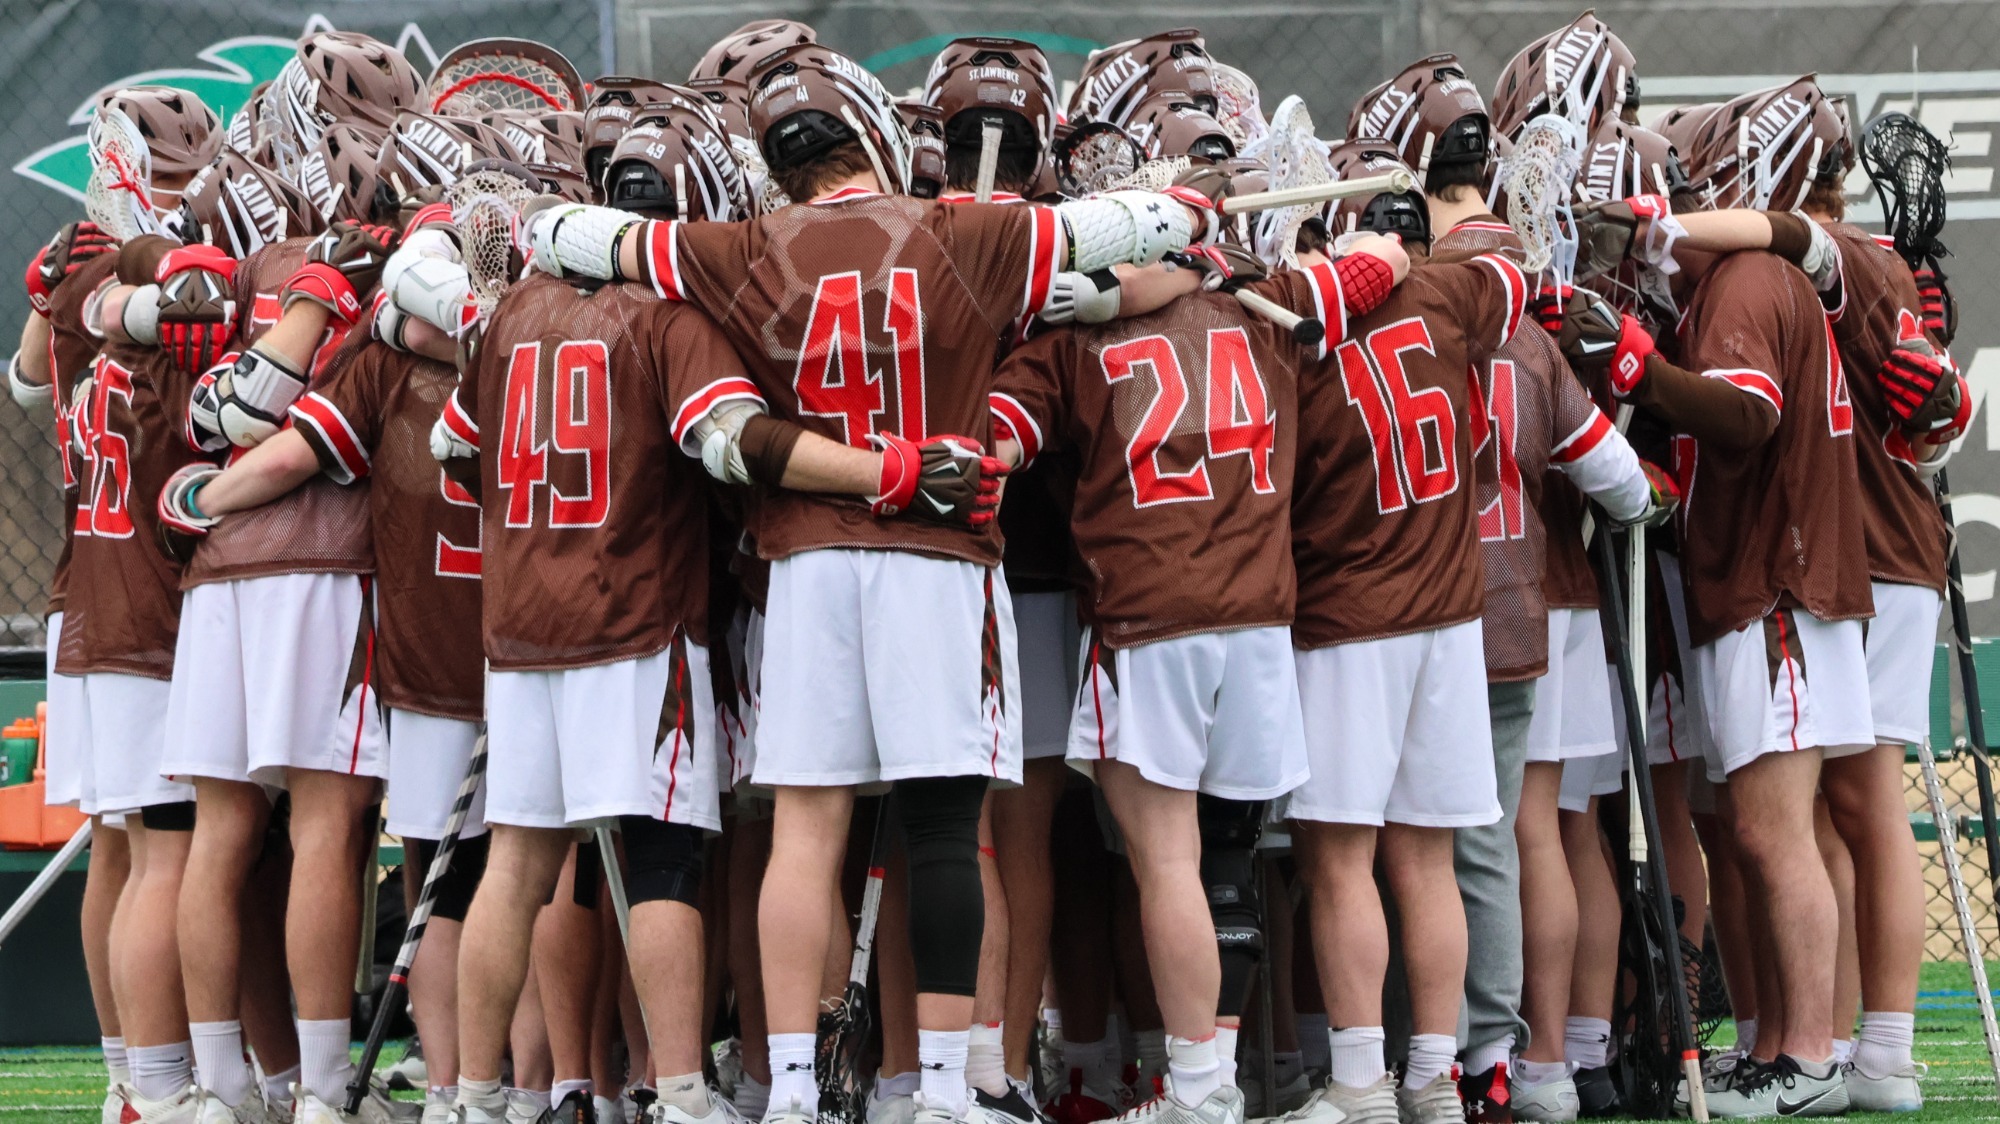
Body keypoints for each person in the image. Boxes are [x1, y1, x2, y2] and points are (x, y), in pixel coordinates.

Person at [521, 39, 1219, 1124]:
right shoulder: (965, 231)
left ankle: (793, 1091)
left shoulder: (733, 247)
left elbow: (558, 233)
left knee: (806, 833)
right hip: (935, 558)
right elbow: (1163, 220)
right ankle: (941, 1089)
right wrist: (1184, 224)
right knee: (943, 828)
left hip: (805, 562)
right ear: (872, 133)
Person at [1552, 82, 1876, 1116]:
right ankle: (1781, 1043)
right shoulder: (1754, 278)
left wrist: (1637, 368)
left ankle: (1809, 1057)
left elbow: (1744, 417)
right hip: (1764, 582)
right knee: (1755, 829)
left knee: (1774, 832)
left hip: (1773, 587)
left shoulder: (1744, 281)